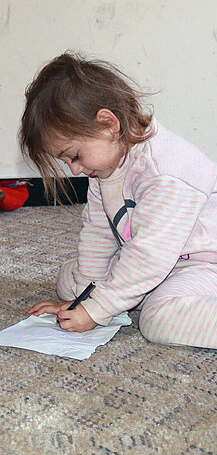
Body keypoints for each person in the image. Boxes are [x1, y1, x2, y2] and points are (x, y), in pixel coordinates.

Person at [20, 52, 217, 349]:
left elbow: (150, 255)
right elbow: (99, 230)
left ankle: (146, 297)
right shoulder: (106, 167)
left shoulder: (166, 172)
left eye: (74, 156)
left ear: (108, 123)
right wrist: (86, 296)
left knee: (159, 319)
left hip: (203, 264)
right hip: (158, 260)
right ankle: (129, 293)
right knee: (71, 280)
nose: (75, 169)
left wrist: (96, 309)